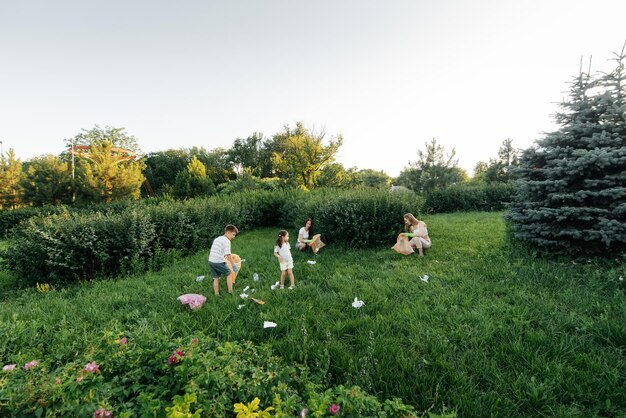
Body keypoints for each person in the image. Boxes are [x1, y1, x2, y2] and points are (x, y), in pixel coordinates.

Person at [208, 224, 238, 295]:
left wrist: (223, 257)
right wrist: (233, 264)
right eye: (233, 235)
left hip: (211, 261)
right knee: (229, 274)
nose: (233, 237)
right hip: (218, 262)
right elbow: (228, 254)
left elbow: (218, 250)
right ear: (227, 232)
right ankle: (231, 292)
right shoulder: (227, 241)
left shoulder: (218, 238)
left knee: (216, 278)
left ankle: (216, 294)